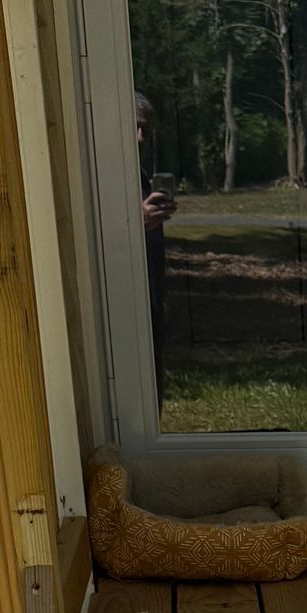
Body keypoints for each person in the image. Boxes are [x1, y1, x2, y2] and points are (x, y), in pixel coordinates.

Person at [134, 91, 175, 405]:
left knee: (152, 395)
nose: (140, 137)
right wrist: (136, 218)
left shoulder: (143, 177)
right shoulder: (97, 173)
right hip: (124, 307)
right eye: (135, 126)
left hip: (151, 300)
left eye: (146, 130)